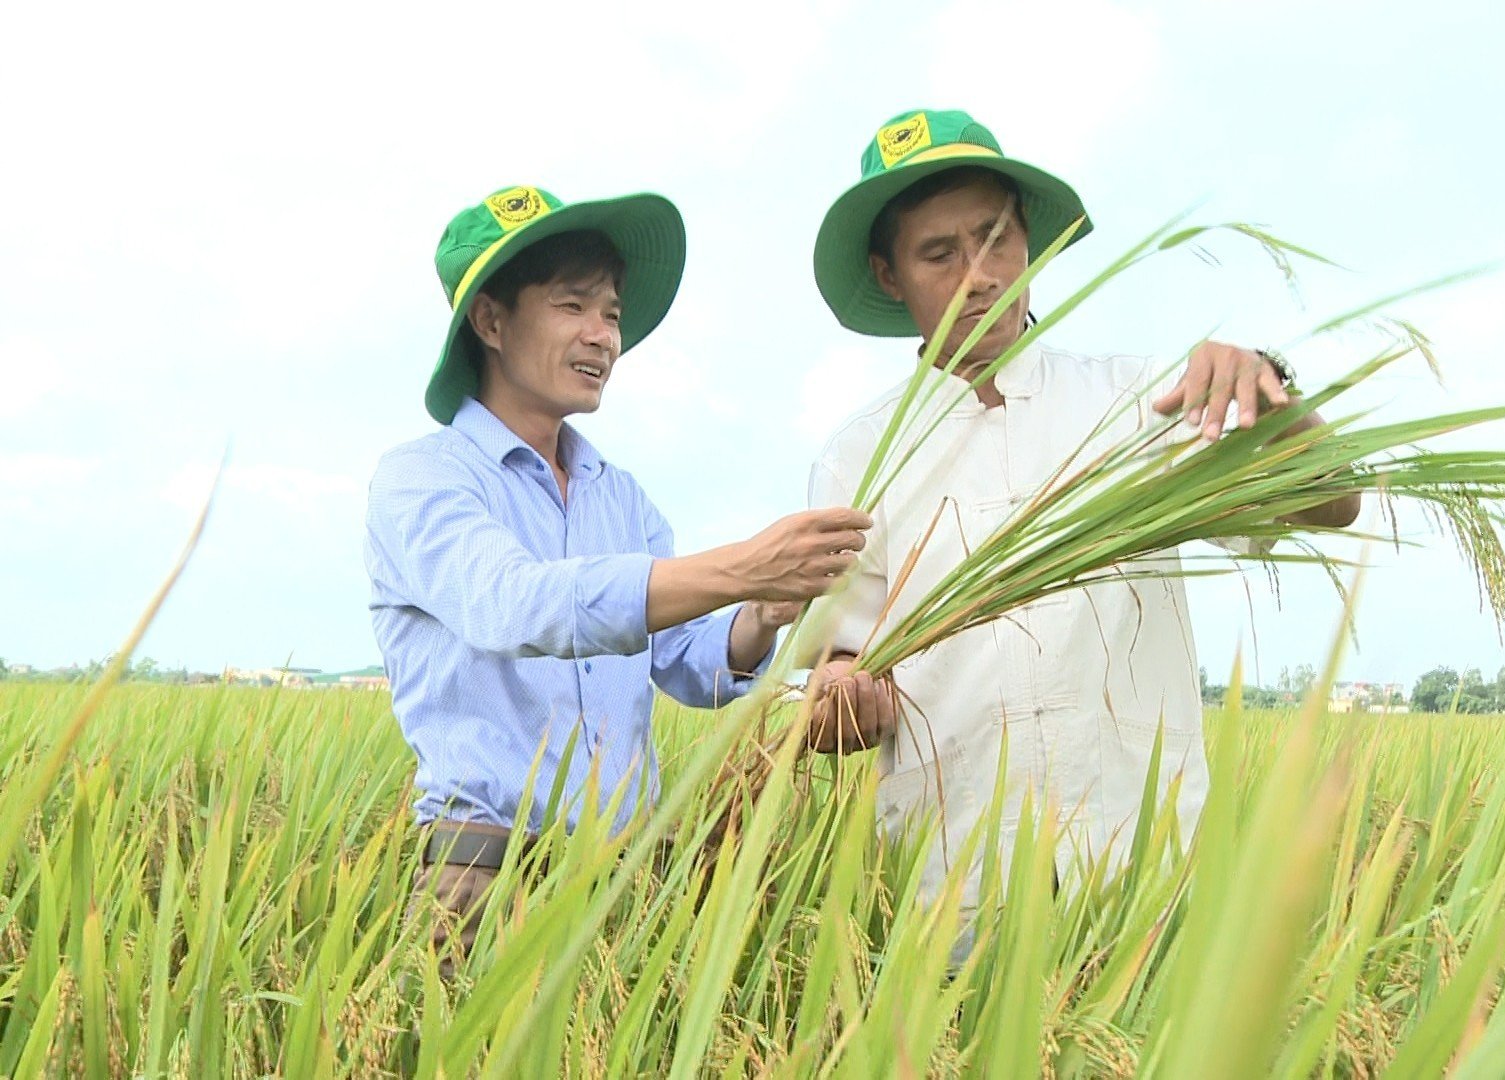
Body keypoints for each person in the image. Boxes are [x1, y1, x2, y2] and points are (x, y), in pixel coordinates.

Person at [802, 111, 1361, 921]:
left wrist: (1269, 391)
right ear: (890, 276)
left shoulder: (1140, 405)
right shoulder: (859, 459)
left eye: (996, 241)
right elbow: (836, 684)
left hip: (1139, 868)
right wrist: (845, 696)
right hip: (949, 883)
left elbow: (1331, 500)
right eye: (938, 254)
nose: (979, 275)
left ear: (1032, 245)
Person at [365, 185, 870, 974]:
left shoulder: (620, 496)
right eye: (573, 306)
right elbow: (517, 605)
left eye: (611, 313)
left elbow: (690, 661)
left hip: (629, 876)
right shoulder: (423, 482)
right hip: (485, 873)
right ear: (491, 321)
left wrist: (762, 613)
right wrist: (741, 564)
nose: (603, 336)